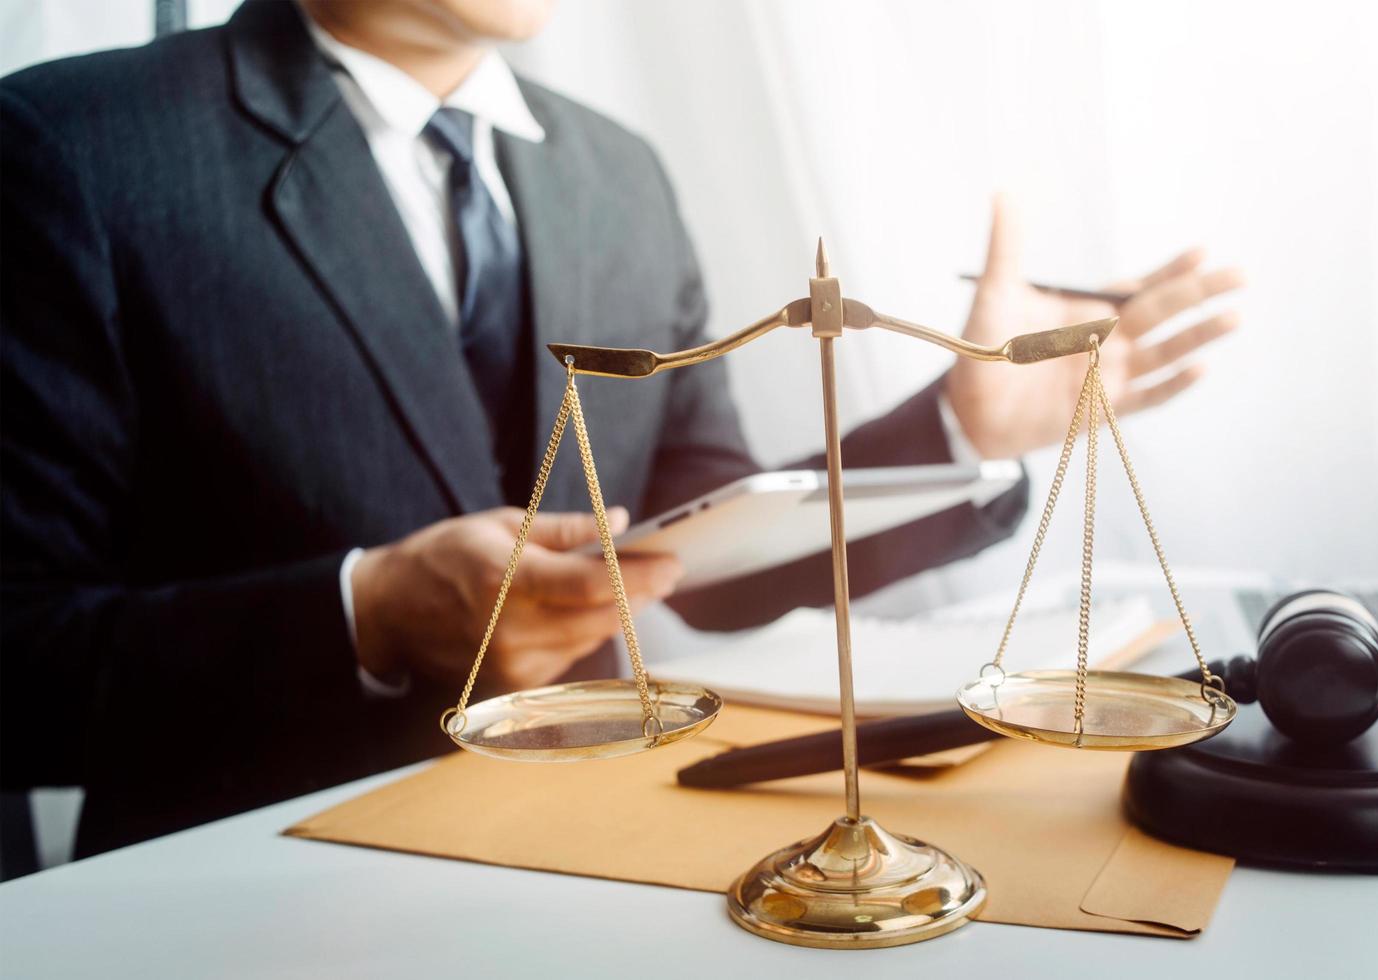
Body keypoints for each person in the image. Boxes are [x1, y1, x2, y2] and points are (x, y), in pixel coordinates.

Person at [0, 0, 1244, 854]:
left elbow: (696, 546)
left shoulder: (616, 174)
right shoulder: (72, 150)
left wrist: (962, 426)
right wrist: (365, 610)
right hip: (248, 896)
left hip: (605, 851)